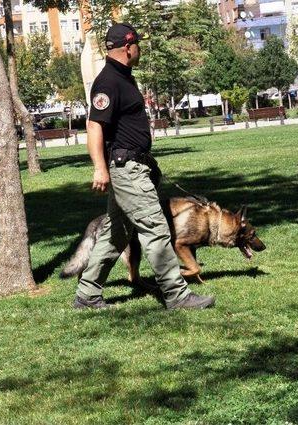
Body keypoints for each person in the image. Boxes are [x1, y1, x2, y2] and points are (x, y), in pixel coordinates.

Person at [73, 23, 215, 310]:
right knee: (157, 229)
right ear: (128, 46)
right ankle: (177, 295)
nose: (140, 49)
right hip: (127, 170)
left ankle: (87, 295)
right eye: (137, 44)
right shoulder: (108, 82)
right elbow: (94, 127)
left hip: (134, 166)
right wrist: (99, 168)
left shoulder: (124, 78)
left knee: (116, 233)